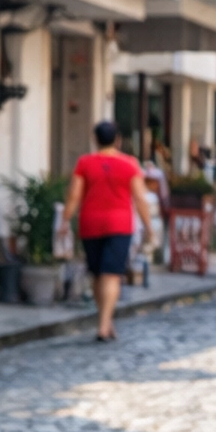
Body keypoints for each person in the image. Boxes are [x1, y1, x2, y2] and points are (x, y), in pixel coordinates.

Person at [62, 118, 156, 342]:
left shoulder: (85, 163)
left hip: (90, 223)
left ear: (94, 139)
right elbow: (140, 198)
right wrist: (149, 227)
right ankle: (105, 324)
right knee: (111, 274)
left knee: (97, 274)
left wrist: (64, 221)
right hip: (120, 224)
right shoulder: (130, 163)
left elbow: (74, 195)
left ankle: (104, 322)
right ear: (118, 139)